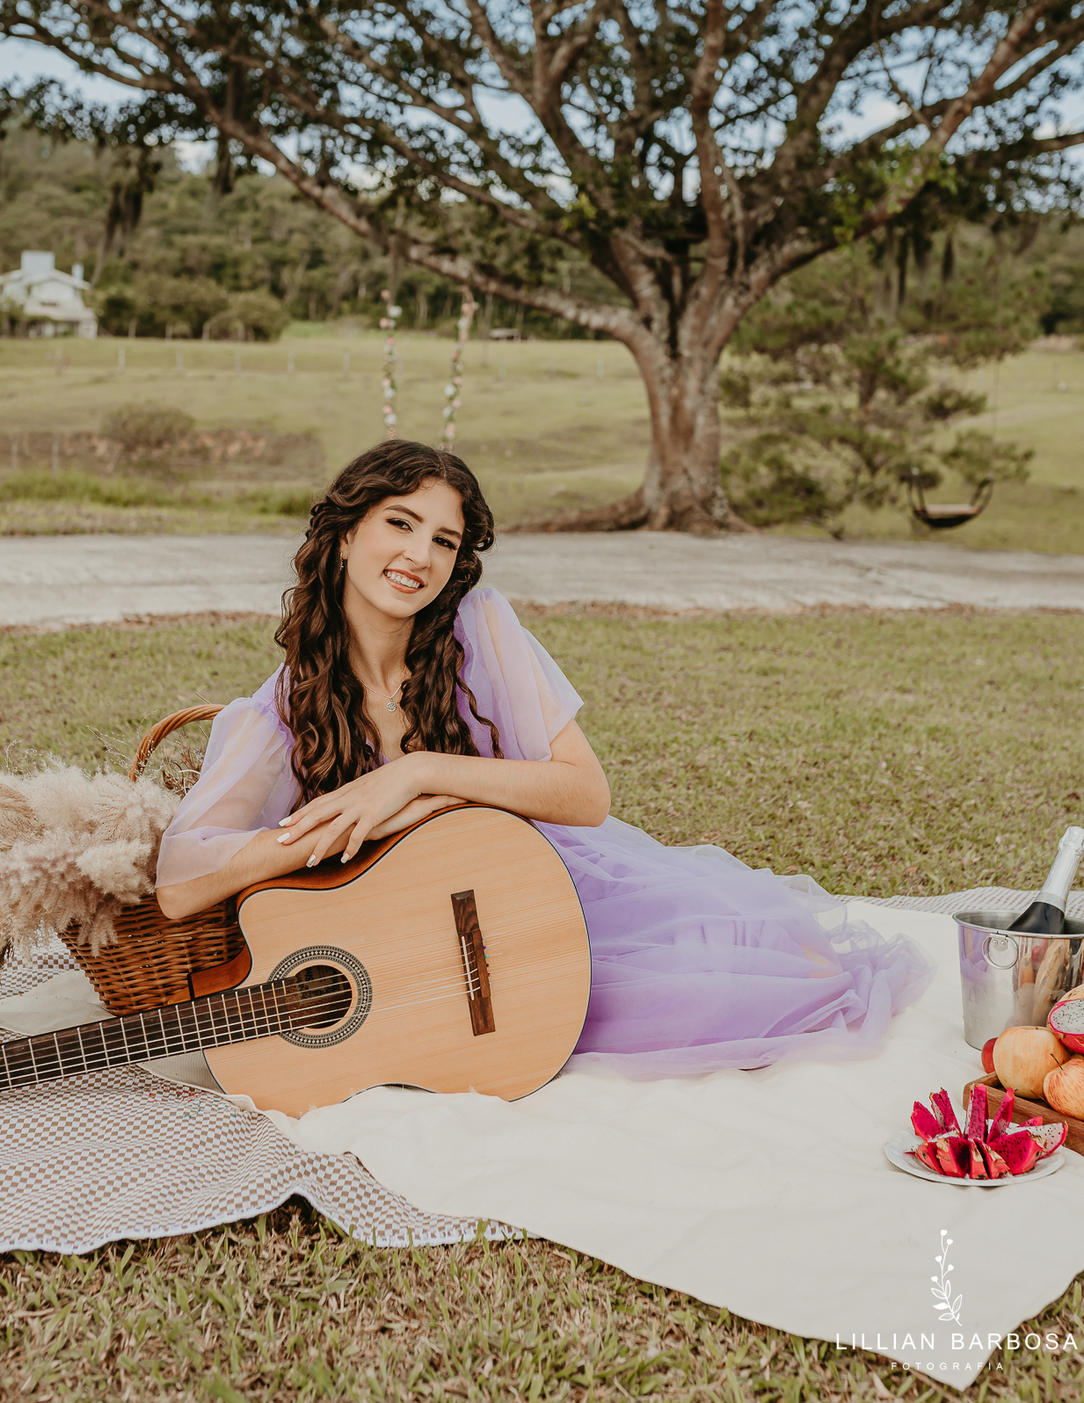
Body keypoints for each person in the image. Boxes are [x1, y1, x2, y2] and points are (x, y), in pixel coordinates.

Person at [156, 441, 933, 1077]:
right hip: (420, 952)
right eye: (400, 523)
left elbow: (584, 794)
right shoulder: (276, 713)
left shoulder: (478, 628)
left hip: (558, 881)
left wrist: (419, 777)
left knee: (783, 976)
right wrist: (335, 835)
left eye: (444, 540)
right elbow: (180, 888)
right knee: (567, 1026)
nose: (419, 555)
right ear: (347, 533)